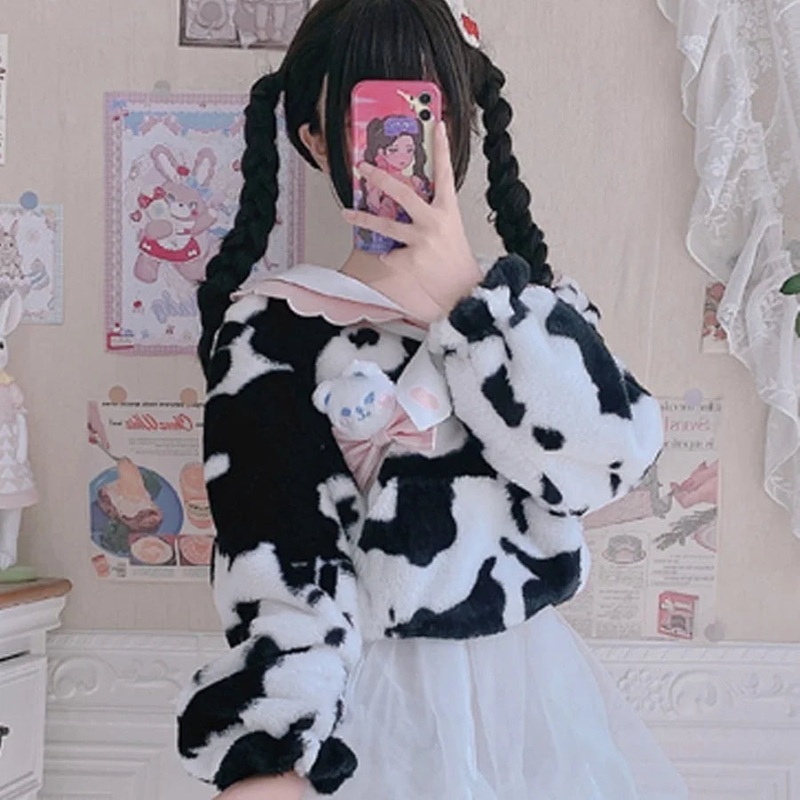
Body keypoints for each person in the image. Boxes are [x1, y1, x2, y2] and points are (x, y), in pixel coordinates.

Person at [177, 1, 689, 798]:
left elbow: (611, 461)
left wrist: (467, 300)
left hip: (532, 707)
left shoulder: (532, 320)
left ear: (460, 124)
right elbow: (280, 560)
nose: (400, 145)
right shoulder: (275, 330)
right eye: (370, 114)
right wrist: (274, 756)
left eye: (424, 111)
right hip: (368, 712)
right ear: (317, 139)